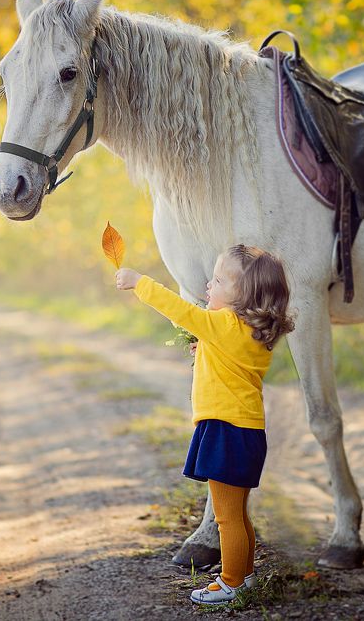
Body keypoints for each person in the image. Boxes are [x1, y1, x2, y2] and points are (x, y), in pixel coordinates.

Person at [115, 244, 295, 605]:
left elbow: (179, 310)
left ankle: (231, 581)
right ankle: (242, 577)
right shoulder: (250, 333)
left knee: (226, 518)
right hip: (246, 430)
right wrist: (208, 351)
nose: (207, 285)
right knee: (238, 514)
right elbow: (230, 358)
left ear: (241, 296)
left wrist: (139, 282)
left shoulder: (224, 325)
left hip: (225, 429)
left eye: (217, 280)